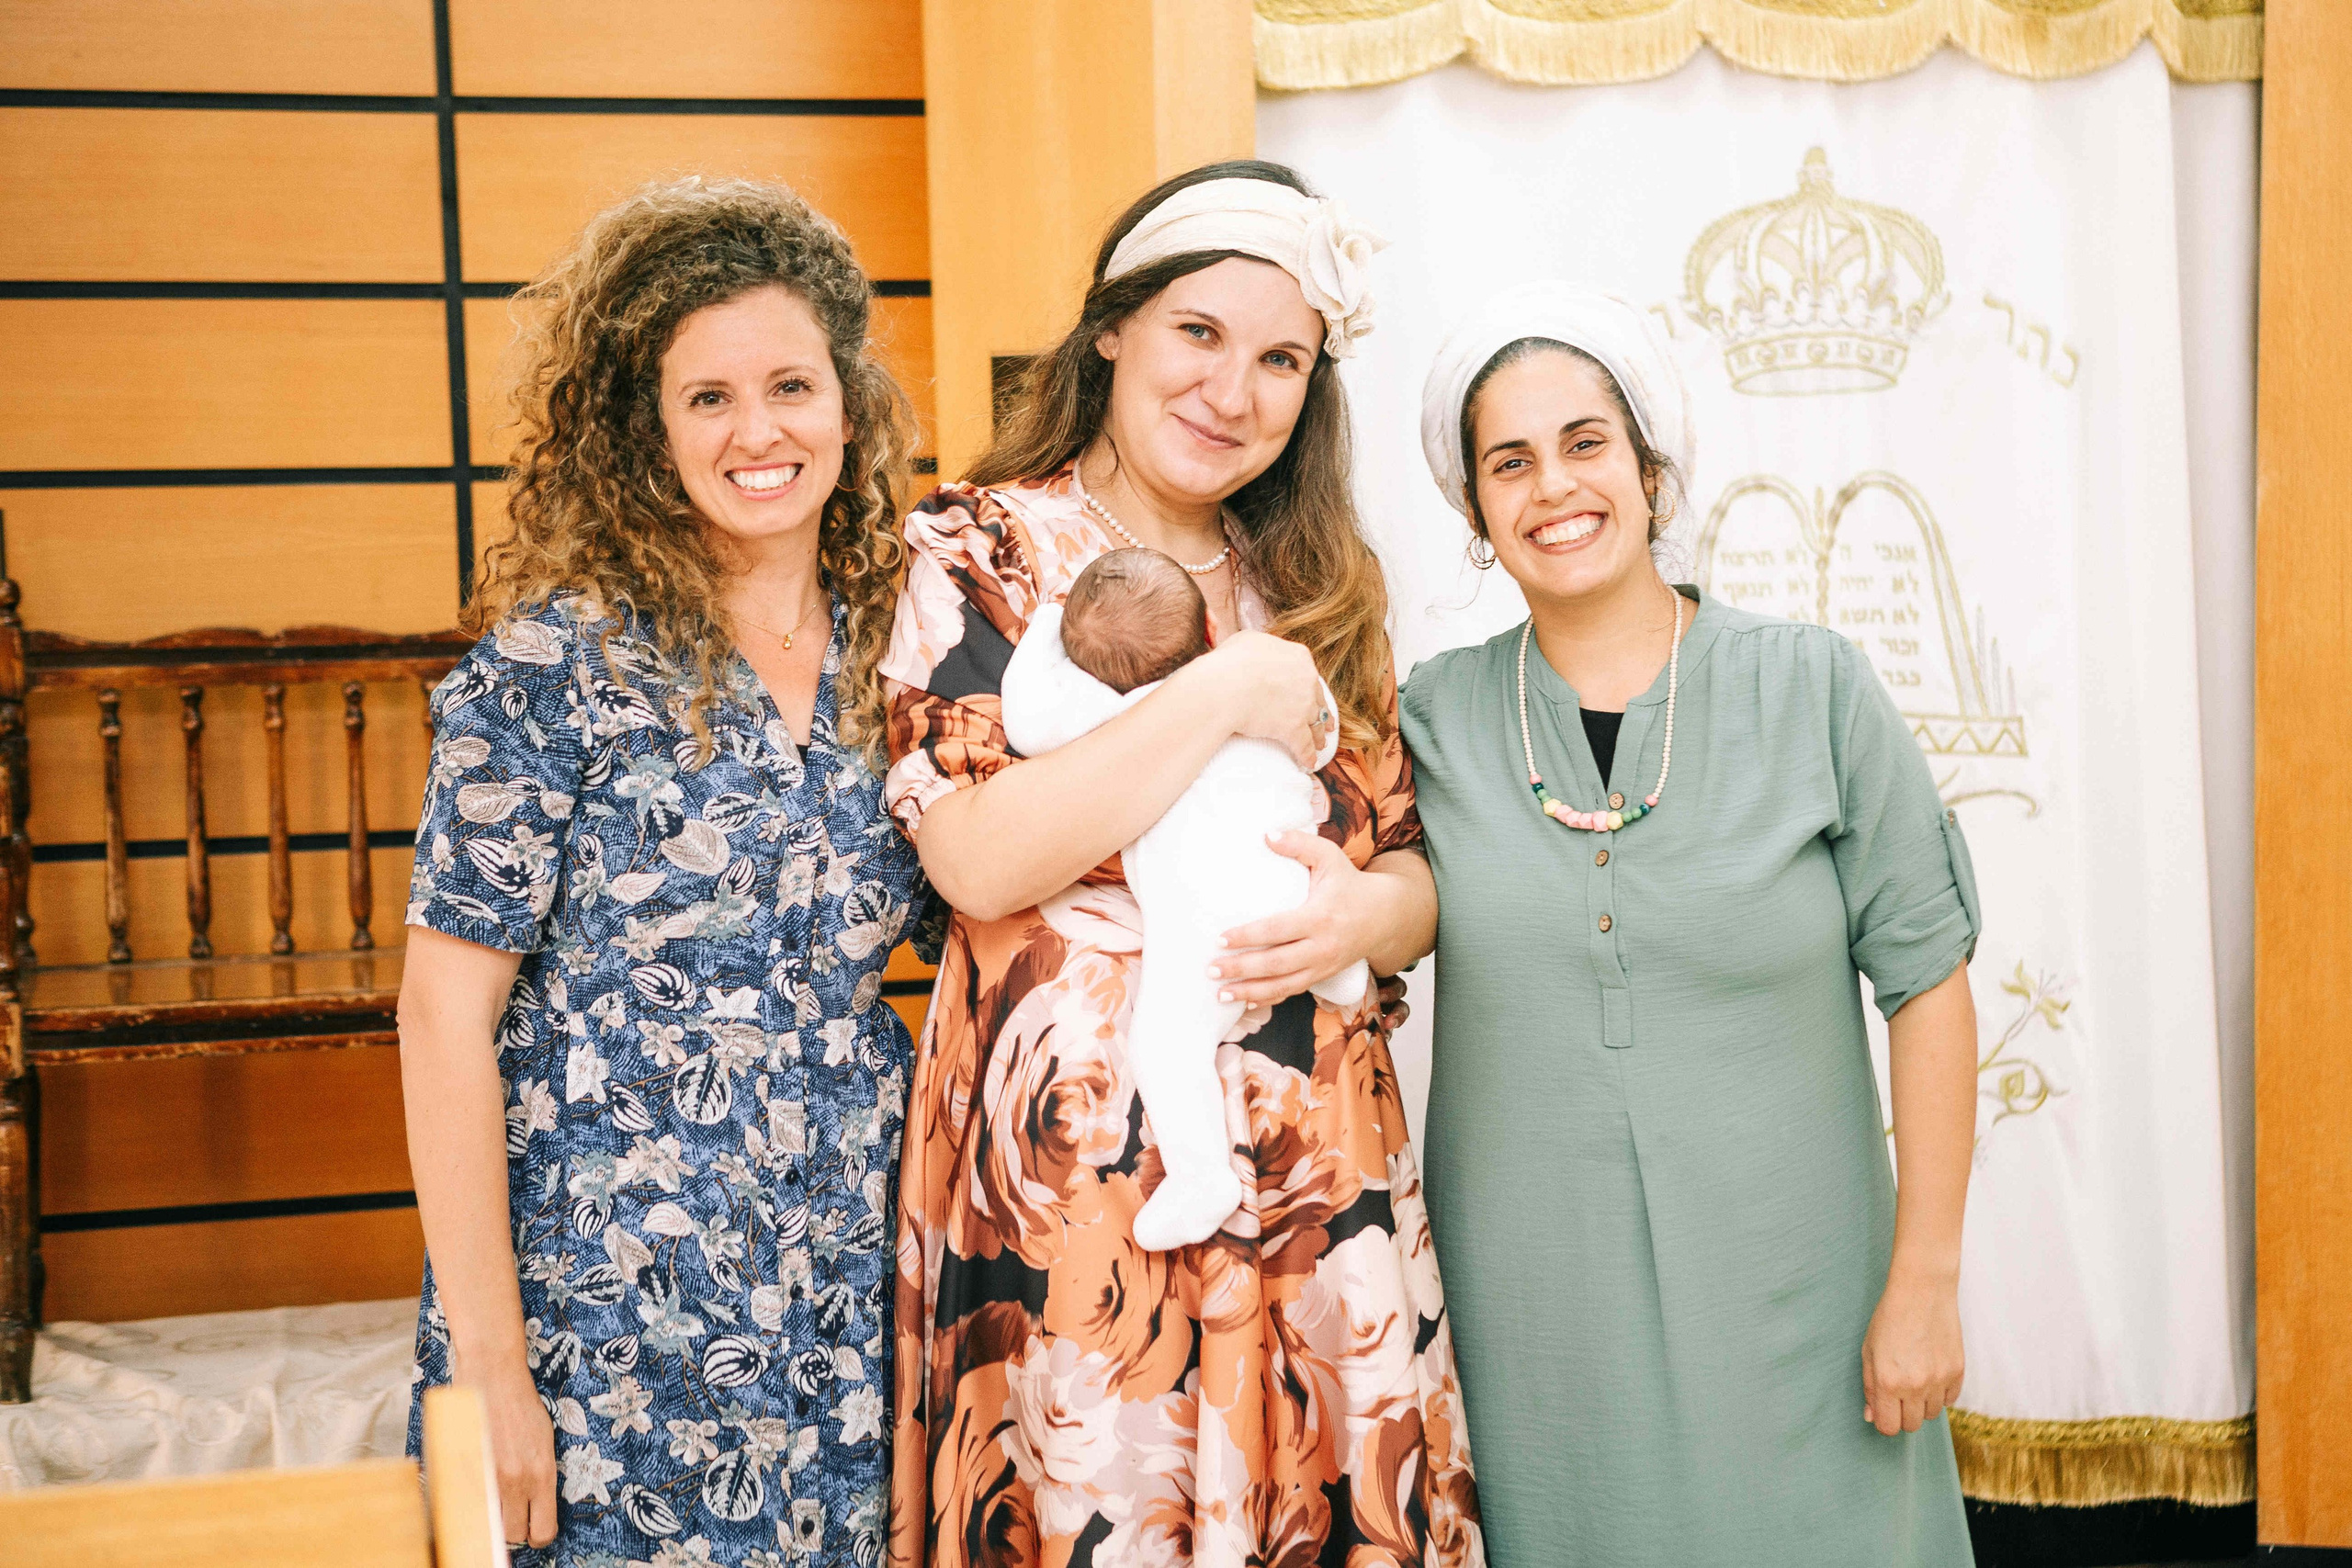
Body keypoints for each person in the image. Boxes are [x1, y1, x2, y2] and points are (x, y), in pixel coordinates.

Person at [879, 162, 1484, 1564]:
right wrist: (1220, 692)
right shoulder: (984, 546)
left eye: (1281, 359)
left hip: (1317, 1174)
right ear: (1113, 328)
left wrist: (1368, 911)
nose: (1233, 390)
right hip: (1081, 1178)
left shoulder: (1318, 579)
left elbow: (1413, 877)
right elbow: (978, 856)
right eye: (1198, 334)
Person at [1398, 280, 1981, 1566]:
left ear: (1651, 471)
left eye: (1585, 442)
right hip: (1537, 1331)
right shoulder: (1430, 720)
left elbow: (1928, 980)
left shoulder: (1812, 687)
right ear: (1476, 511)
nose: (1554, 486)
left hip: (1805, 1308)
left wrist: (1925, 1280)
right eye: (1510, 461)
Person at [397, 176, 934, 1567]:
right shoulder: (550, 667)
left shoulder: (914, 652)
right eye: (708, 398)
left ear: (850, 403)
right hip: (601, 1297)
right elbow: (442, 1017)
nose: (760, 432)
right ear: (648, 430)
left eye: (791, 386)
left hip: (845, 1276)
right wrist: (493, 1371)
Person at [997, 547, 1371, 1251]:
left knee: (1167, 1044)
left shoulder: (1106, 714)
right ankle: (1341, 971)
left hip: (1210, 932)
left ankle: (1202, 1176)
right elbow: (1319, 741)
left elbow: (1027, 719)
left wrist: (1047, 624)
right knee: (1308, 907)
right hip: (1290, 877)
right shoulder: (1259, 687)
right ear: (1209, 632)